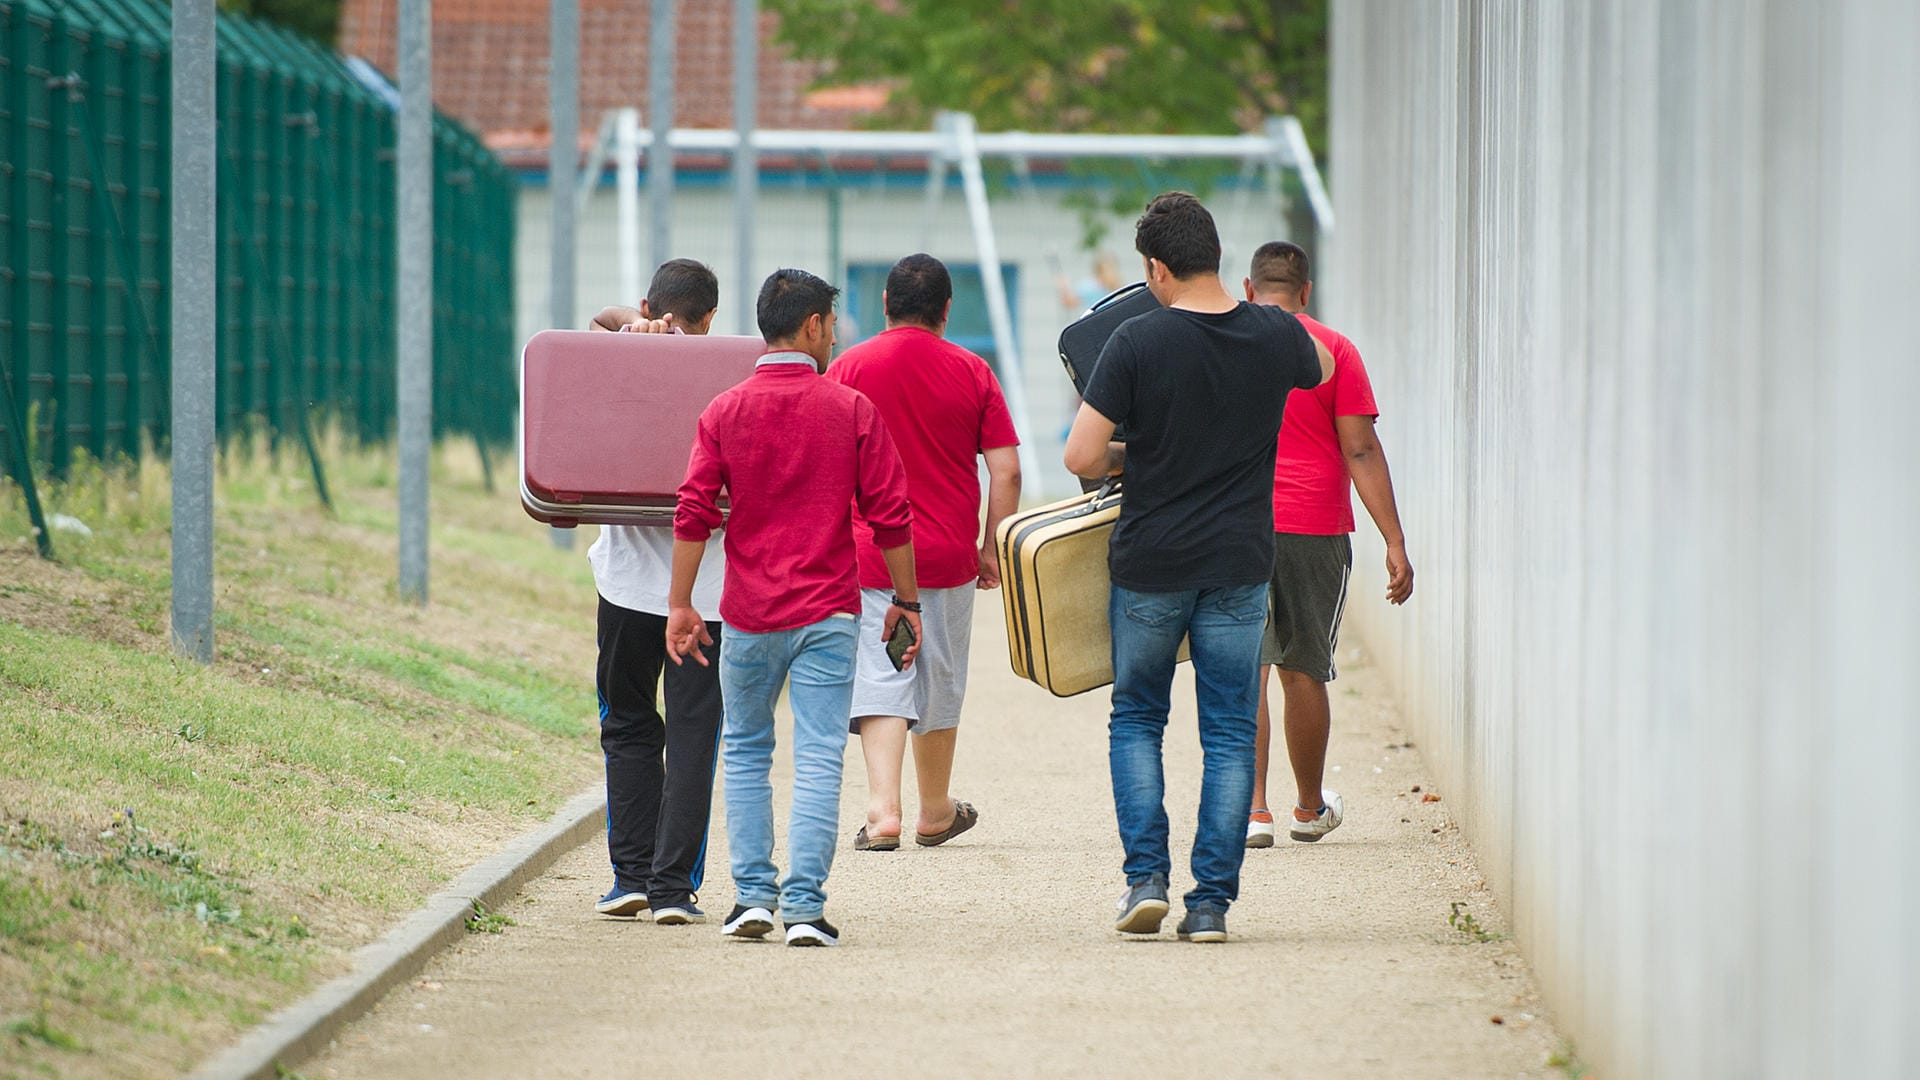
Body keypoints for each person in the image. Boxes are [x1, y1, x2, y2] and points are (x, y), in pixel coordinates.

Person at [1063, 193, 1333, 944]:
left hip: (1151, 562)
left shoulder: (1138, 342)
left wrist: (1138, 452)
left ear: (1156, 268)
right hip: (1240, 563)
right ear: (1216, 257)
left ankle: (1146, 880)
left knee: (1139, 718)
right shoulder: (1274, 331)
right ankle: (1209, 902)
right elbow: (1325, 364)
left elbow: (1082, 456)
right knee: (1226, 729)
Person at [666, 268, 922, 949]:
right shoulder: (850, 410)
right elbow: (891, 516)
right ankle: (805, 908)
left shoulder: (724, 410)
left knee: (747, 752)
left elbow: (694, 511)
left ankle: (752, 899)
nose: (835, 336)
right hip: (829, 617)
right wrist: (905, 601)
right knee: (816, 758)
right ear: (812, 325)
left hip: (747, 615)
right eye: (832, 324)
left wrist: (680, 604)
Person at [825, 254, 1022, 853]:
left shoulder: (847, 367)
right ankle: (935, 809)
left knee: (881, 672)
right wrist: (993, 547)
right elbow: (1006, 470)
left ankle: (883, 810)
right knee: (938, 674)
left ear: (884, 305)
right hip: (946, 556)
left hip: (869, 556)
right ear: (945, 310)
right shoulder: (972, 370)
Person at [1240, 242, 1413, 848]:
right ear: (1306, 291)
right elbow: (1361, 449)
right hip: (1314, 526)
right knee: (1303, 670)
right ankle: (1308, 808)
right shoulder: (1334, 351)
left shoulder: (1230, 342)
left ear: (1248, 287)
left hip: (1236, 526)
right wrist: (1394, 540)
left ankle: (1253, 811)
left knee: (1246, 668)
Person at [585, 259, 726, 925]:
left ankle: (629, 878)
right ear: (712, 318)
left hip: (624, 589)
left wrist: (631, 325)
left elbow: (596, 322)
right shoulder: (731, 375)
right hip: (709, 596)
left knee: (628, 726)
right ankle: (675, 889)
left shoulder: (620, 356)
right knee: (694, 733)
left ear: (652, 305)